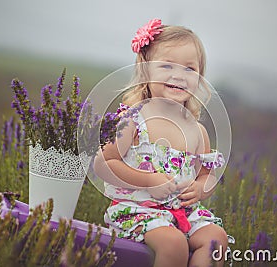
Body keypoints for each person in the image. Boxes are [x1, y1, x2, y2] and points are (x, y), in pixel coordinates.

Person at [94, 18, 231, 267]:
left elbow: (206, 177)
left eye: (190, 69)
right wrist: (148, 180)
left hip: (183, 213)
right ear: (146, 71)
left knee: (216, 239)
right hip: (138, 211)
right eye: (167, 66)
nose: (178, 75)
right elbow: (103, 163)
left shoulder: (198, 131)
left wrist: (200, 189)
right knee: (174, 243)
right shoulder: (134, 119)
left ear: (200, 78)